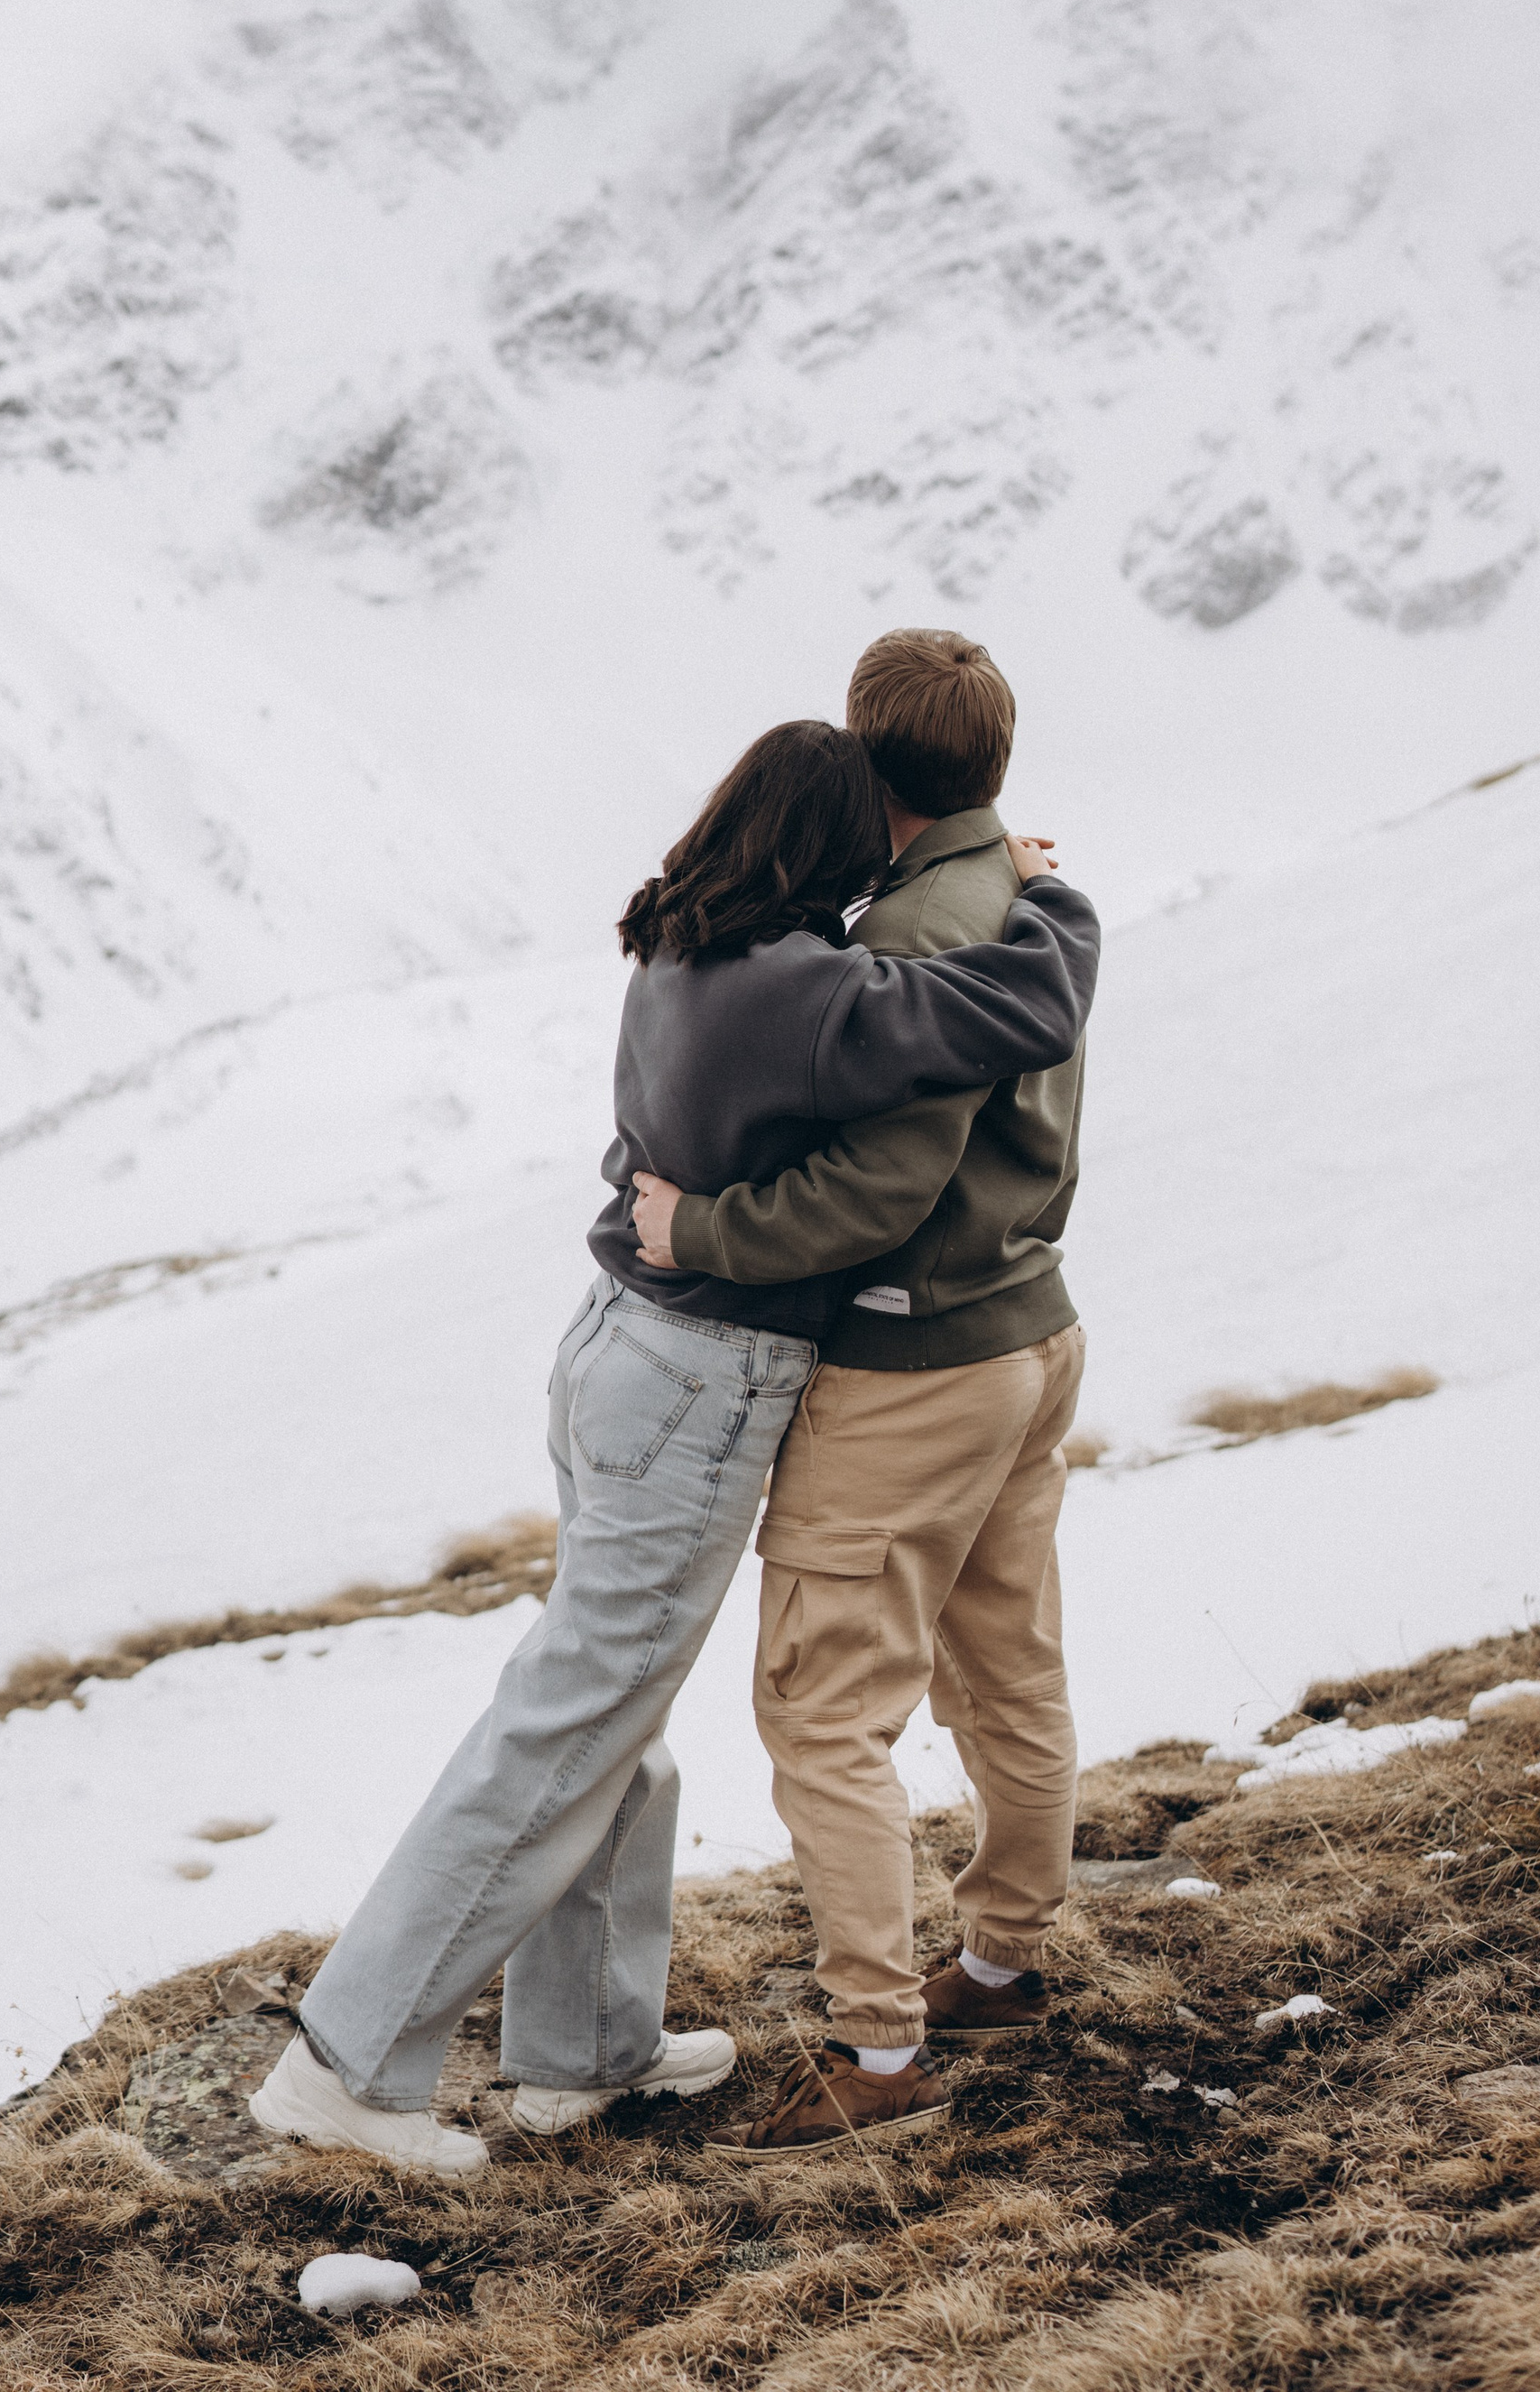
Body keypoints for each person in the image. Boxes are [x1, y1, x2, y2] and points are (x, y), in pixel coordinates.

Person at [249, 714, 1100, 2175]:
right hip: (702, 1377)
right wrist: (1035, 888)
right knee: (571, 1716)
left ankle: (581, 2049)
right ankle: (349, 2056)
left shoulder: (686, 940)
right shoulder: (817, 991)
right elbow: (1017, 1010)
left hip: (619, 1348)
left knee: (610, 1708)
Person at [630, 632, 1091, 2158]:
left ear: (860, 757)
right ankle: (1003, 1959)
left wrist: (698, 1230)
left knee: (825, 1707)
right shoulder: (1014, 895)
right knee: (1004, 1662)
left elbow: (877, 1190)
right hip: (1033, 1333)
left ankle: (878, 2046)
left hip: (917, 1362)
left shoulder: (904, 941)